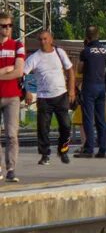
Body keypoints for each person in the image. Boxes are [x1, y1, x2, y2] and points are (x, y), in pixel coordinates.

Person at [22, 30, 74, 165]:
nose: (43, 42)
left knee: (66, 125)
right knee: (43, 128)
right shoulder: (34, 58)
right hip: (44, 97)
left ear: (51, 39)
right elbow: (22, 74)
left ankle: (63, 150)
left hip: (61, 95)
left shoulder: (59, 52)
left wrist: (72, 90)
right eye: (40, 39)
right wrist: (26, 91)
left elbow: (70, 70)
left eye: (45, 39)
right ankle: (45, 154)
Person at [75, 25, 106, 158]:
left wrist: (85, 48)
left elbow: (80, 69)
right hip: (101, 86)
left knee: (88, 118)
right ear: (98, 35)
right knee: (101, 119)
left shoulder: (86, 51)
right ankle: (103, 149)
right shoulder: (105, 50)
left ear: (87, 37)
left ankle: (89, 149)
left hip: (89, 86)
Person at [0, 12, 26, 182]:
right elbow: (12, 70)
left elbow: (19, 71)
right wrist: (6, 70)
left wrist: (8, 71)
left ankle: (11, 169)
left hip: (12, 96)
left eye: (9, 25)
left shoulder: (17, 45)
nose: (7, 29)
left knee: (12, 134)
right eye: (3, 26)